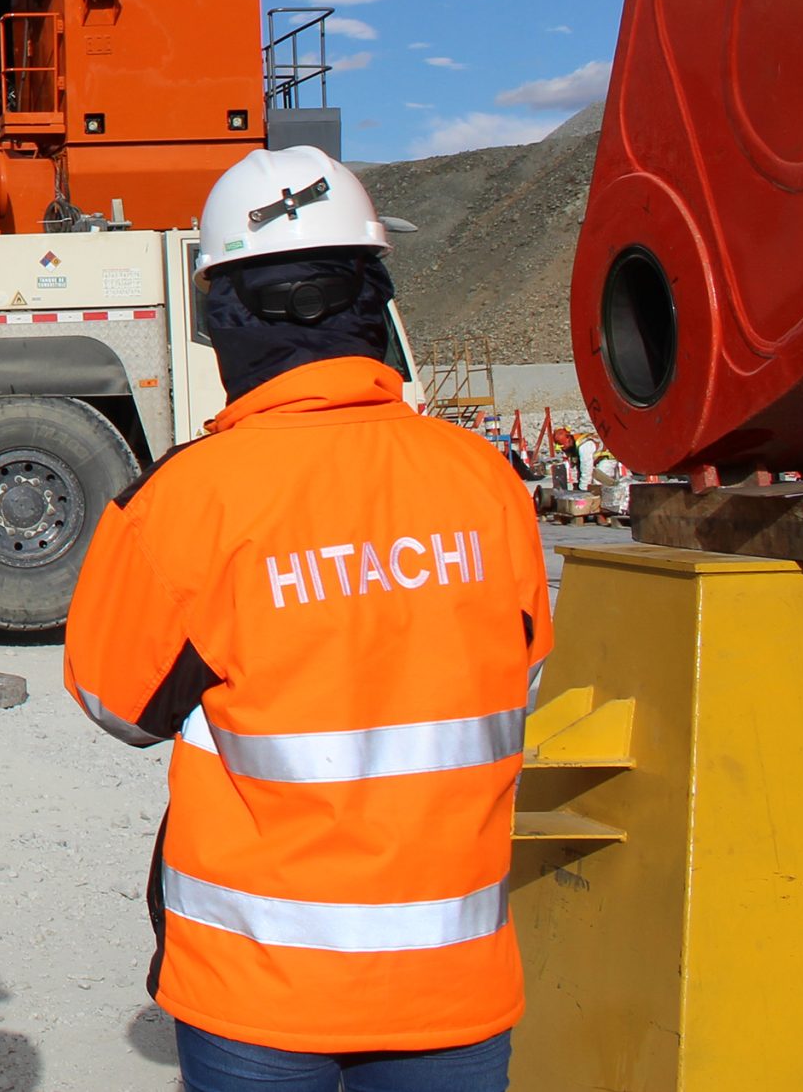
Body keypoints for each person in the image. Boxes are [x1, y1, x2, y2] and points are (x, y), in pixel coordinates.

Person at [64, 146, 554, 1092]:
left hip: (258, 987)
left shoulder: (182, 502)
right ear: (372, 295)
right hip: (450, 980)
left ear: (218, 316)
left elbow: (118, 706)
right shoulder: (486, 482)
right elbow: (518, 674)